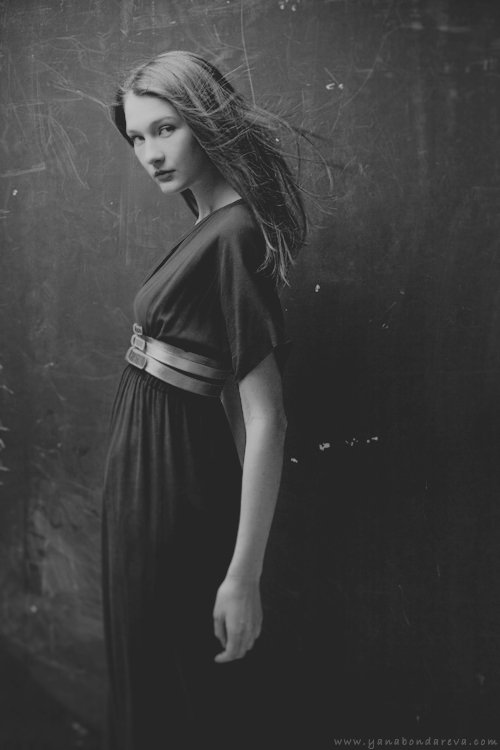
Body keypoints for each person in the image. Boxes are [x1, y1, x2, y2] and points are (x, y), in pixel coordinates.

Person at [101, 50, 307, 750]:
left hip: (172, 487)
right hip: (146, 480)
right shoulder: (208, 223)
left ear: (206, 122)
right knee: (150, 673)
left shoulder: (234, 234)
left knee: (172, 691)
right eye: (137, 138)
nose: (150, 154)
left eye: (165, 130)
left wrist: (243, 575)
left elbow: (267, 417)